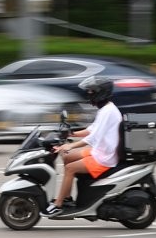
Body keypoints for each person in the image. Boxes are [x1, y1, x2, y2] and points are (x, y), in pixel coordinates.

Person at [43, 76, 123, 217]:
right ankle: (67, 198)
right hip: (99, 151)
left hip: (104, 157)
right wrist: (70, 133)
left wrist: (71, 146)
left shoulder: (108, 111)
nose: (89, 94)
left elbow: (93, 138)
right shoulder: (105, 109)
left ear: (101, 92)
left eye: (92, 91)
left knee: (70, 168)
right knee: (67, 156)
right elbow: (91, 130)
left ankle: (58, 205)